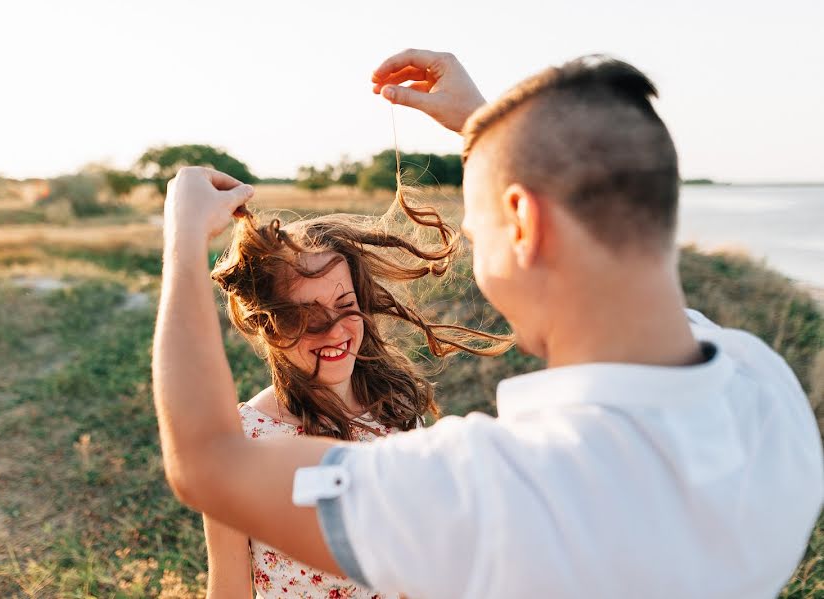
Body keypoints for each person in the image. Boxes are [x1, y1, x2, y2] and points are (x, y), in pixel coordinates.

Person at [152, 49, 824, 598]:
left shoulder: (493, 492)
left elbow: (209, 461)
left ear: (524, 223)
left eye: (479, 228)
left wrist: (182, 242)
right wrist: (496, 131)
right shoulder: (766, 388)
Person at [198, 185, 510, 597]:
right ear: (268, 325)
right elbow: (228, 590)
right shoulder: (242, 442)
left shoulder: (395, 410)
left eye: (345, 305)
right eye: (306, 315)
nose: (334, 329)